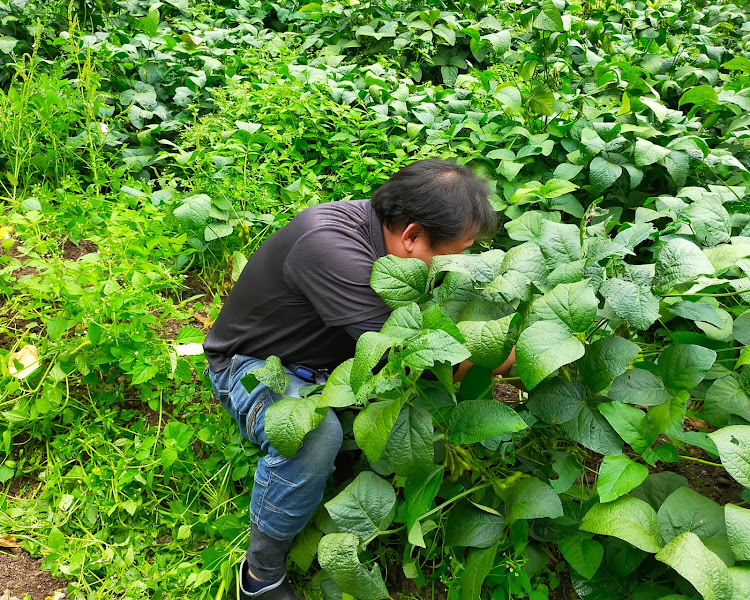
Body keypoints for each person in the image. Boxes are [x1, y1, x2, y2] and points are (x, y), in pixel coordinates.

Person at [203, 158, 514, 600]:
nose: (460, 264)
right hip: (250, 366)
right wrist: (507, 354)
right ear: (411, 236)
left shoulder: (379, 233)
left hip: (327, 364)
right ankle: (259, 576)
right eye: (456, 253)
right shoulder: (330, 247)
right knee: (314, 438)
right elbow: (415, 358)